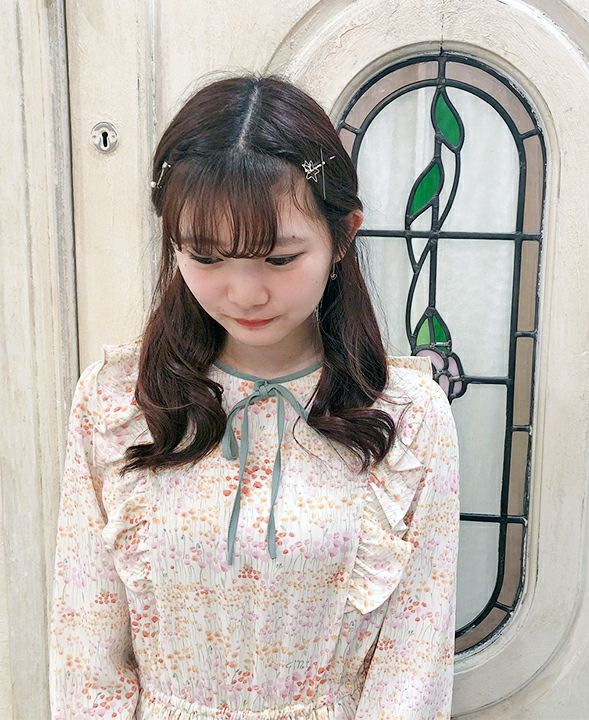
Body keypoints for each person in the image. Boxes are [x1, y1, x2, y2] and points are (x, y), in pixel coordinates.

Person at [49, 72, 460, 719]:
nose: (244, 293)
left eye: (278, 258)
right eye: (206, 257)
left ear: (343, 236)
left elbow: (414, 660)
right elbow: (86, 650)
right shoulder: (117, 403)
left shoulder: (407, 416)